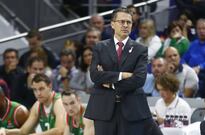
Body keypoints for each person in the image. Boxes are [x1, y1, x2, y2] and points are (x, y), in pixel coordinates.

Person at [84, 7, 162, 135]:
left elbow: (139, 80)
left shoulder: (140, 49)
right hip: (104, 107)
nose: (126, 25)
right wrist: (122, 75)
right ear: (113, 24)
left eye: (129, 22)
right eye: (122, 22)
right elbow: (95, 76)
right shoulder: (100, 47)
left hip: (132, 108)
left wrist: (111, 83)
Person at [0, 73, 65, 134]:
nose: (38, 93)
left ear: (50, 86)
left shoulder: (58, 102)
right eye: (35, 90)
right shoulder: (37, 105)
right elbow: (23, 131)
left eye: (41, 89)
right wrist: (6, 131)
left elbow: (59, 130)